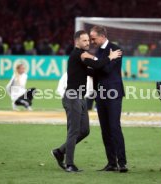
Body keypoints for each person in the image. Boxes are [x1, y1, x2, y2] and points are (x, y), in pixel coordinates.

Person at [51, 30, 122, 173]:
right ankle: (69, 164)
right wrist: (110, 56)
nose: (87, 43)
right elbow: (96, 66)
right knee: (74, 131)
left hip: (80, 98)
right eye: (84, 40)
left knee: (84, 130)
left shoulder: (81, 55)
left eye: (88, 40)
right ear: (77, 42)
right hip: (72, 97)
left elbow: (91, 70)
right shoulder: (79, 54)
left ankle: (60, 151)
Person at [89, 26, 128, 172]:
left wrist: (99, 63)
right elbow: (96, 72)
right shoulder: (99, 51)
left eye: (93, 38)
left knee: (114, 127)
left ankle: (122, 162)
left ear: (102, 36)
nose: (92, 41)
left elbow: (105, 70)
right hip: (101, 94)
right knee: (105, 129)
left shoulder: (115, 49)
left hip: (113, 93)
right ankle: (111, 163)